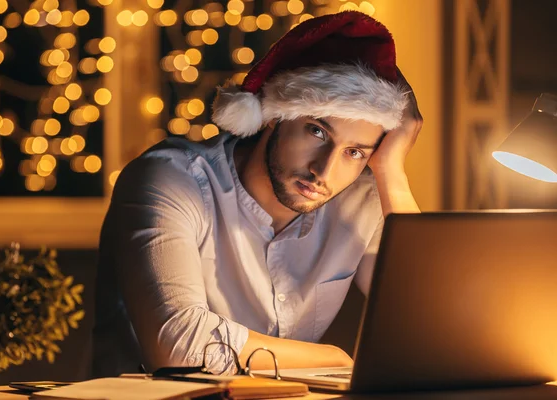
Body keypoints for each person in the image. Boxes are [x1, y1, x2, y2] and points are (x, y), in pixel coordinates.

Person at [92, 10, 423, 378]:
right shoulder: (169, 178)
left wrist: (391, 172)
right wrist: (335, 358)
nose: (324, 171)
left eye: (354, 152)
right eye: (316, 132)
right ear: (272, 115)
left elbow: (431, 323)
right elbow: (179, 349)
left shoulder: (359, 201)